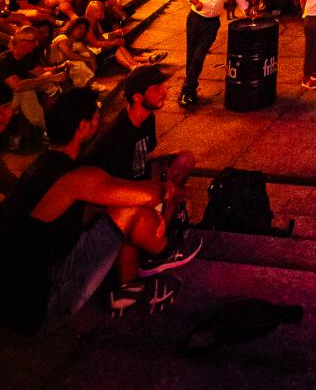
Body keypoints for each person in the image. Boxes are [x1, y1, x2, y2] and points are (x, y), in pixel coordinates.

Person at [0, 88, 198, 331]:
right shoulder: (78, 176)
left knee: (114, 212)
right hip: (43, 306)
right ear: (83, 126)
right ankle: (165, 252)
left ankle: (130, 286)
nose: (101, 122)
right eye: (96, 117)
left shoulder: (41, 167)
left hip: (14, 302)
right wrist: (167, 188)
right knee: (131, 209)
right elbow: (150, 195)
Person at [89, 66, 196, 243]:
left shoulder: (148, 118)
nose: (164, 92)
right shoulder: (118, 135)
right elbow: (120, 185)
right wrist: (167, 189)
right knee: (173, 194)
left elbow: (146, 157)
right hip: (119, 193)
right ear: (138, 97)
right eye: (156, 89)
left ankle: (164, 223)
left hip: (138, 178)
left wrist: (165, 178)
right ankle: (159, 245)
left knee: (185, 159)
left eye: (163, 86)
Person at [180, 0, 248, 107]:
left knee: (199, 55)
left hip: (212, 23)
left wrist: (247, 10)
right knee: (191, 55)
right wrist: (195, 1)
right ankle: (190, 89)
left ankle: (186, 90)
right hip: (196, 19)